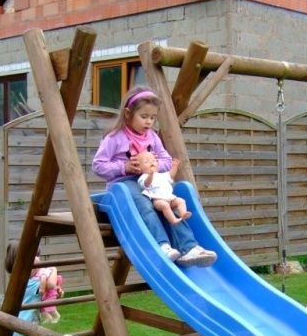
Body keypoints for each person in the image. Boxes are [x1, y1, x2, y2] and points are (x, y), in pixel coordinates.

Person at [92, 86, 216, 267]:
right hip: (124, 185)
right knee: (144, 205)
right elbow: (98, 165)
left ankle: (188, 248)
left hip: (150, 182)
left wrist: (155, 166)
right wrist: (124, 167)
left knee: (169, 202)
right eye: (144, 116)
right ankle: (162, 246)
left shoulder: (152, 137)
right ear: (128, 113)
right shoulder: (115, 137)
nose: (149, 122)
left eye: (153, 117)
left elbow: (166, 159)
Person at [138, 156, 191, 225]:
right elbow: (146, 184)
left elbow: (170, 175)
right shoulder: (143, 177)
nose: (151, 162)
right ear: (139, 168)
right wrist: (151, 174)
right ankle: (173, 220)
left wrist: (174, 167)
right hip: (158, 200)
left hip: (170, 198)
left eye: (154, 160)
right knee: (165, 205)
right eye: (146, 162)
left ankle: (183, 213)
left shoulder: (162, 175)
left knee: (181, 201)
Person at [33, 258, 63, 323]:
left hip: (50, 294)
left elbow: (57, 280)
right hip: (45, 294)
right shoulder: (38, 273)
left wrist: (58, 287)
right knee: (42, 308)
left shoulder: (44, 272)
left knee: (49, 306)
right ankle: (48, 318)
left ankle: (57, 316)